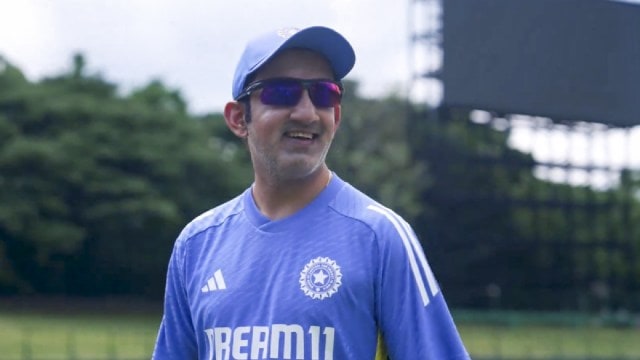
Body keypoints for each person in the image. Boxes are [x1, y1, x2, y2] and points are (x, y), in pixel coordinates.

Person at [152, 25, 470, 360]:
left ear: (336, 114)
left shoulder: (380, 236)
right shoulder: (197, 243)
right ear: (237, 118)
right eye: (281, 93)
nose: (306, 112)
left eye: (324, 93)